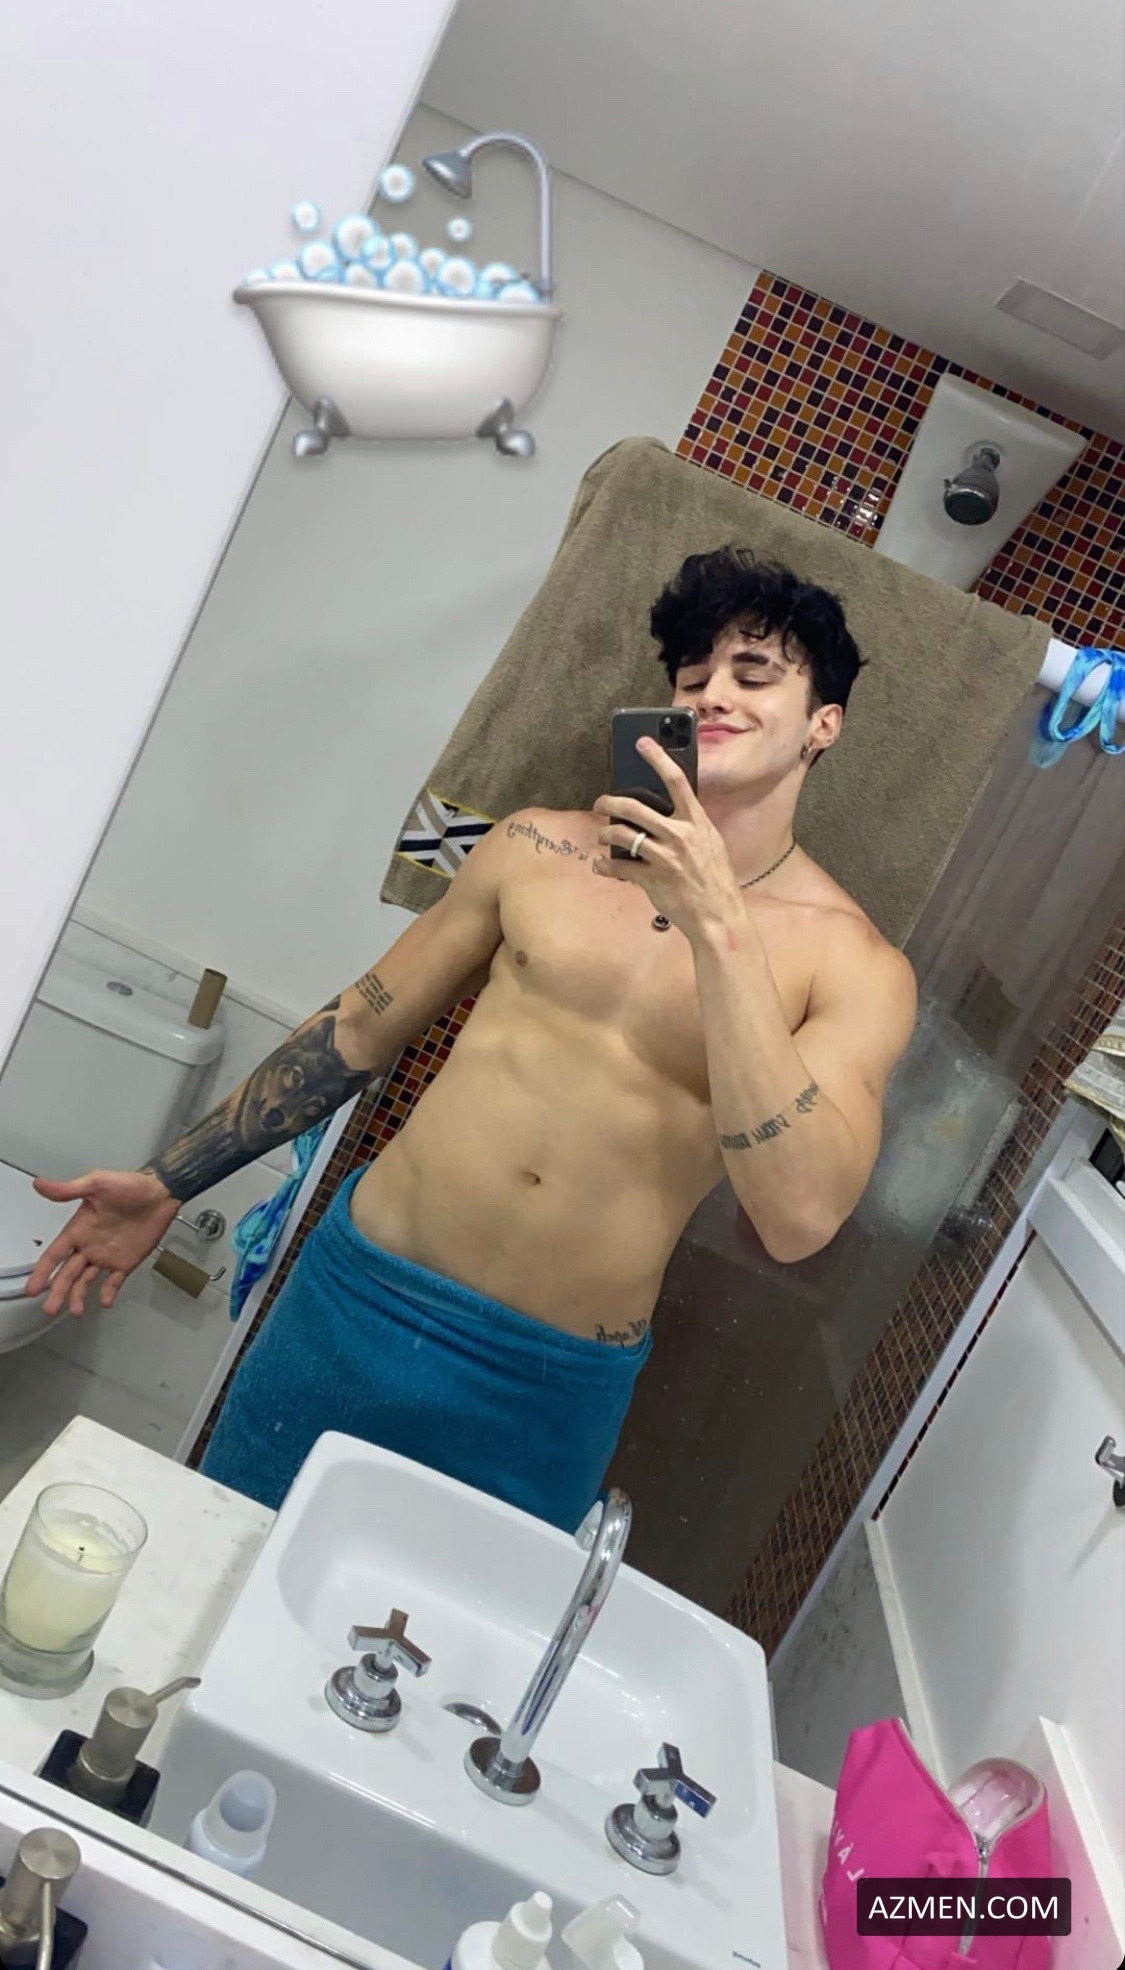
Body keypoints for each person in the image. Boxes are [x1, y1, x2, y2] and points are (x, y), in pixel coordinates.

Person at [27, 548, 917, 1527]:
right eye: (693, 674)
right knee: (227, 1558)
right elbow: (360, 1025)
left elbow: (797, 1218)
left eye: (753, 674)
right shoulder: (537, 846)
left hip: (547, 1381)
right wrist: (168, 1180)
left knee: (442, 1625)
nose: (712, 693)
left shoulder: (851, 962)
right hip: (360, 1298)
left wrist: (718, 927)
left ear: (823, 723)